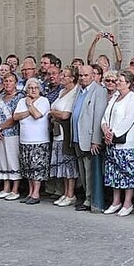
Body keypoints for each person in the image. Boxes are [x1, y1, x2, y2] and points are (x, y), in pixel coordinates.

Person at [101, 70, 134, 216]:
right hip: (111, 142)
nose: (117, 82)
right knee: (114, 173)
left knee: (127, 172)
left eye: (120, 81)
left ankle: (128, 202)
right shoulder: (115, 97)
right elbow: (105, 116)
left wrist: (114, 133)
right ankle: (116, 201)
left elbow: (129, 119)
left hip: (126, 143)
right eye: (117, 80)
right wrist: (105, 129)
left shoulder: (132, 98)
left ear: (129, 84)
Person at [72, 63, 107, 214]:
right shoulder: (79, 90)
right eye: (80, 75)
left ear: (93, 76)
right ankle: (86, 196)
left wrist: (96, 140)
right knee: (82, 169)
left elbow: (98, 116)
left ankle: (90, 199)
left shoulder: (99, 91)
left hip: (89, 138)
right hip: (77, 136)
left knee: (89, 170)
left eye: (86, 75)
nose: (83, 78)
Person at [14, 79, 51, 204]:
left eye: (35, 88)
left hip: (39, 139)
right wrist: (28, 111)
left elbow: (37, 115)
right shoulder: (21, 101)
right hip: (25, 139)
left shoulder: (43, 101)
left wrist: (30, 105)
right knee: (28, 167)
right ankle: (30, 192)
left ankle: (36, 193)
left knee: (37, 167)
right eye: (30, 88)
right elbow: (16, 116)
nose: (33, 90)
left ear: (39, 89)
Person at [49, 65, 79, 206]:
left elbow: (65, 114)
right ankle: (65, 192)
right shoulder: (61, 91)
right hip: (57, 132)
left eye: (65, 75)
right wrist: (54, 113)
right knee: (62, 164)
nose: (61, 77)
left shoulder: (75, 91)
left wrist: (53, 113)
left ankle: (70, 194)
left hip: (66, 132)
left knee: (68, 164)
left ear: (72, 78)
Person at [0, 71, 22, 200]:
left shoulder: (19, 97)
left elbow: (15, 117)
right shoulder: (0, 97)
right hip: (0, 134)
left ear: (15, 83)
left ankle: (15, 189)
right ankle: (6, 187)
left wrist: (1, 127)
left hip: (13, 133)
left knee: (12, 160)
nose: (8, 83)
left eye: (10, 81)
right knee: (3, 160)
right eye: (5, 81)